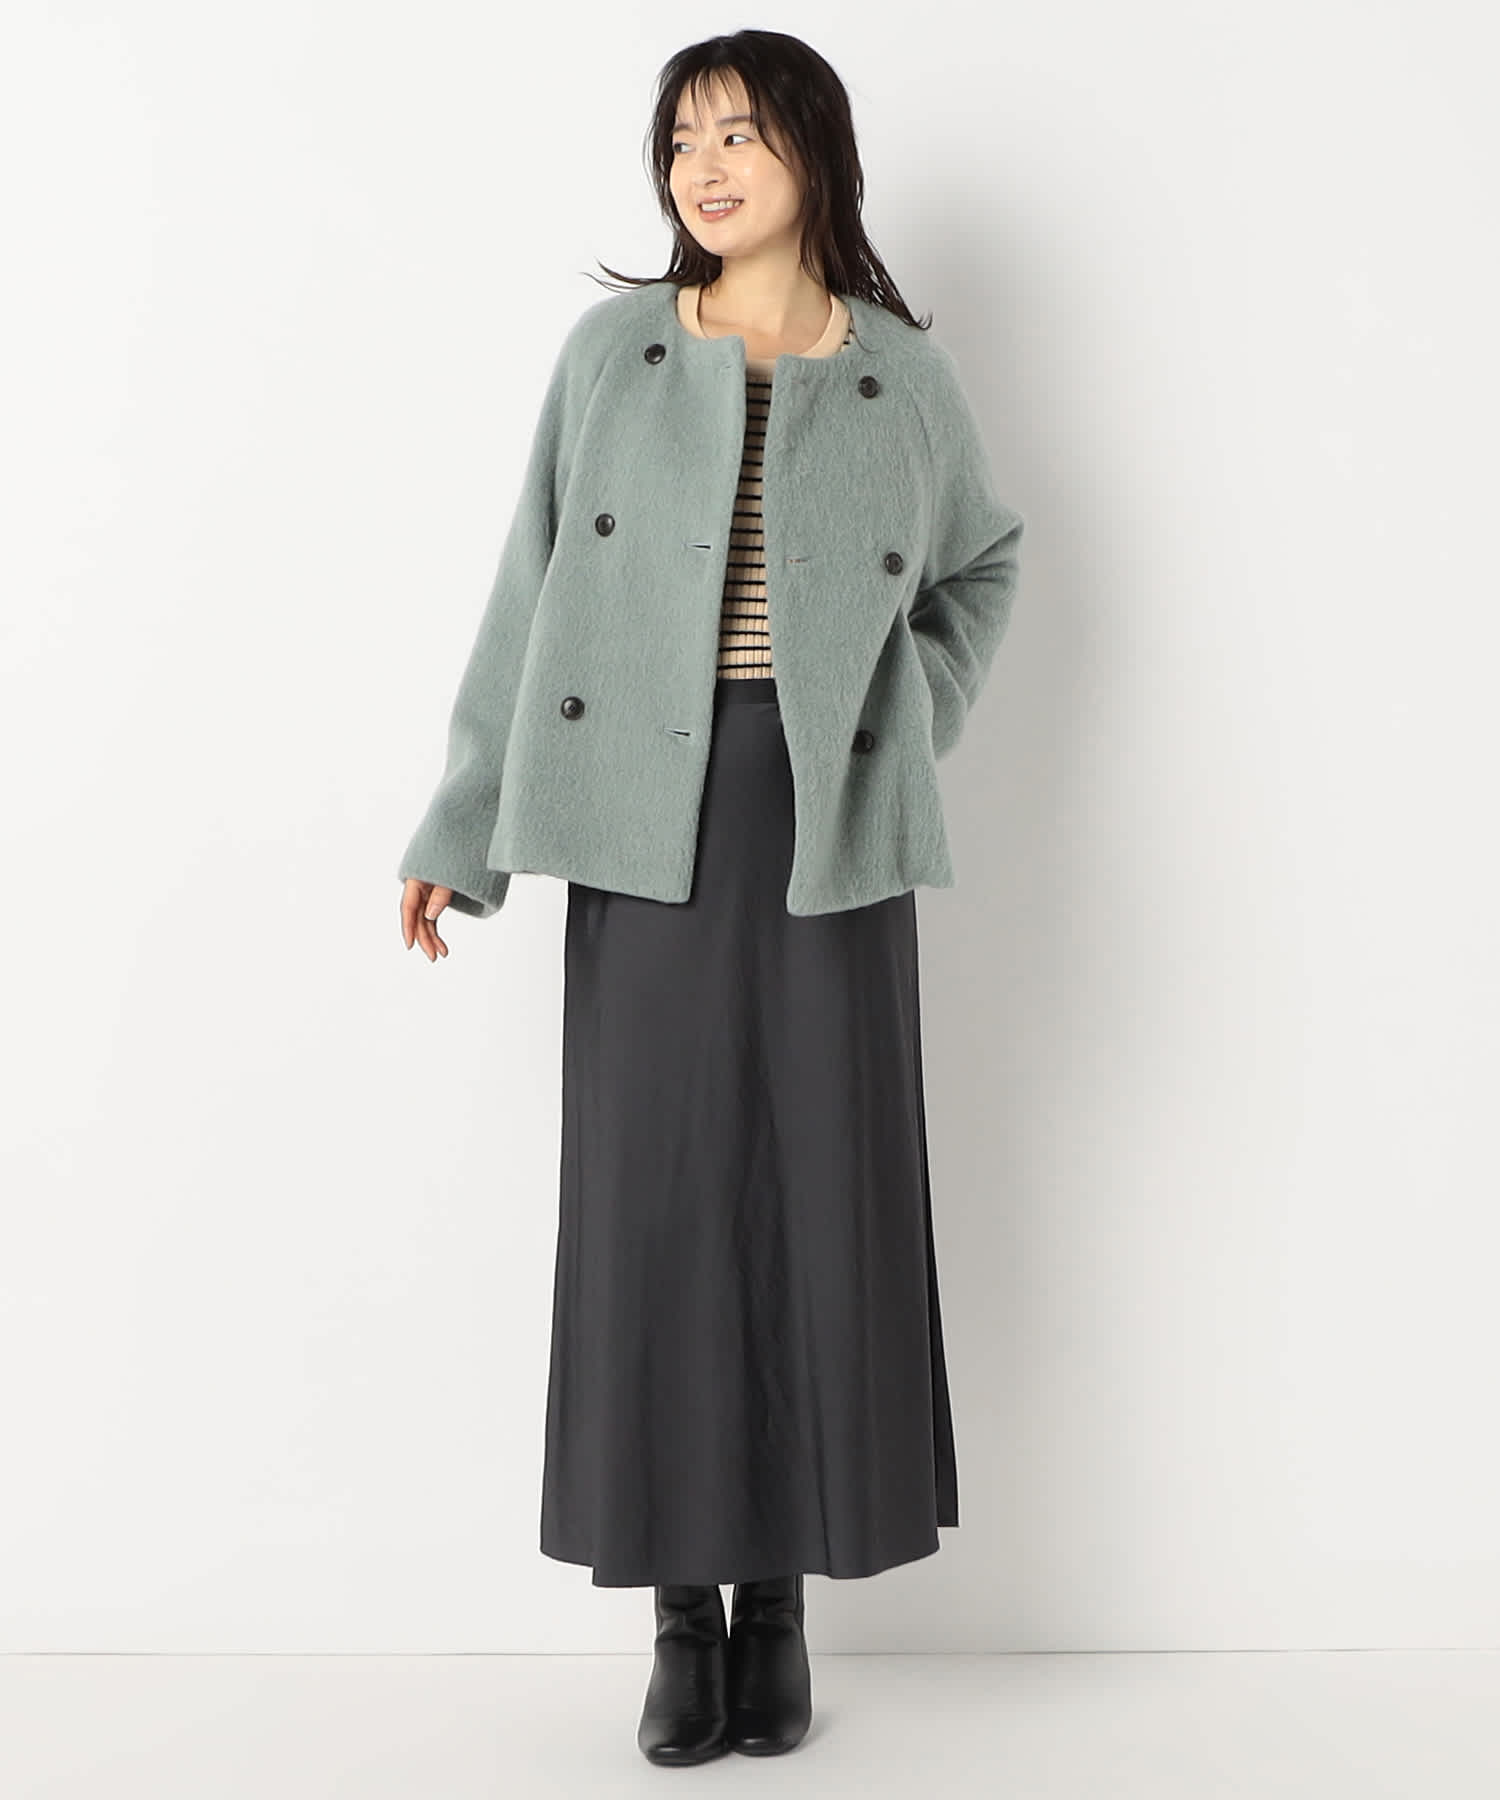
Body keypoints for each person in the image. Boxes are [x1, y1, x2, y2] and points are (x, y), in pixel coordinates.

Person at [396, 29, 1024, 1768]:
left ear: (814, 151)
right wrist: (463, 827)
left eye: (740, 133)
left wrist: (910, 714)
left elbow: (984, 561)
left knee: (820, 1198)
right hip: (638, 822)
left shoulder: (900, 374)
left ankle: (783, 1609)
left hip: (828, 830)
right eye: (683, 139)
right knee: (660, 1205)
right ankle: (681, 1615)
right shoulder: (613, 356)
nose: (707, 165)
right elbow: (529, 587)